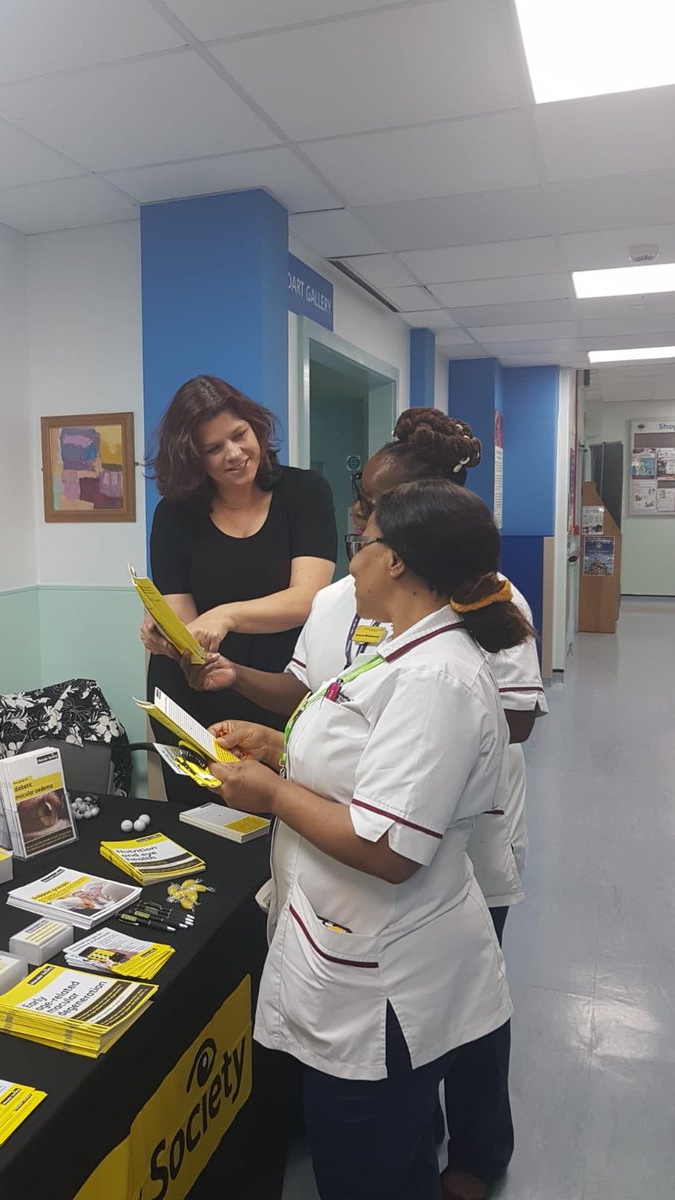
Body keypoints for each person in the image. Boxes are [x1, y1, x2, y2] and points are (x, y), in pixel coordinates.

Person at [183, 408, 547, 1198]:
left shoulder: (435, 676)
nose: (351, 554)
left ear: (400, 561)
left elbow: (389, 850)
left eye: (364, 539)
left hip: (387, 963)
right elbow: (353, 746)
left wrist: (272, 792)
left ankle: (472, 1157)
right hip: (352, 941)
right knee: (380, 1145)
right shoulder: (393, 650)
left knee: (370, 1164)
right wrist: (278, 746)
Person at [142, 375, 336, 801]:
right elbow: (186, 627)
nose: (234, 454)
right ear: (193, 459)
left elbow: (307, 598)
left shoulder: (304, 493)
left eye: (239, 435)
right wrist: (166, 637)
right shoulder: (174, 514)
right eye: (213, 449)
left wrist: (225, 615)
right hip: (195, 691)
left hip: (278, 688)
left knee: (286, 812)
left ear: (257, 429)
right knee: (198, 819)